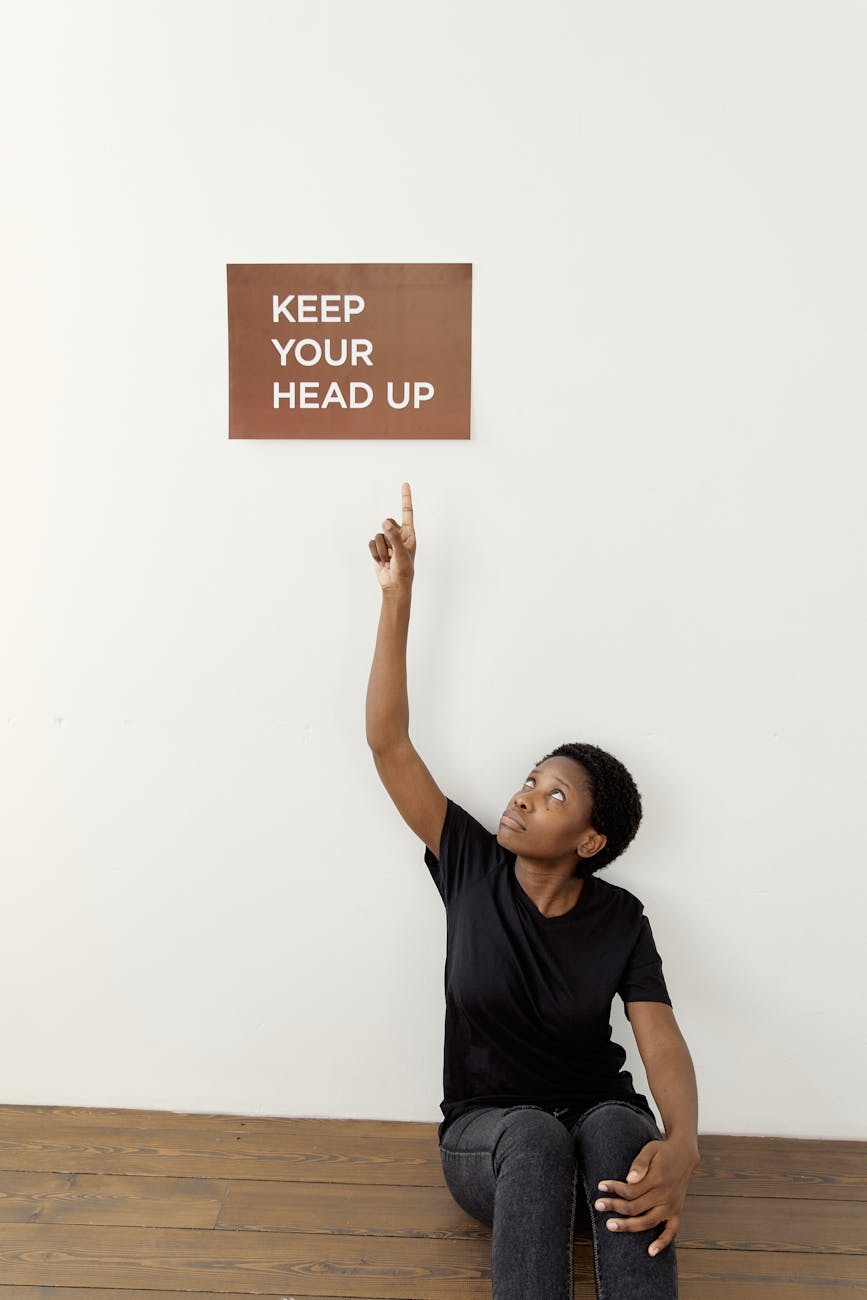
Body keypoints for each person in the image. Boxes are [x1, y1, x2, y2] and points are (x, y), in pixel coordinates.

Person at [366, 482, 700, 1299]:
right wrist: (399, 595)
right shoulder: (470, 863)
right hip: (489, 1145)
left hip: (598, 1146)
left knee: (622, 1125)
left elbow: (656, 1036)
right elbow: (387, 742)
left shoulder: (619, 917)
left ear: (590, 841)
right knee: (532, 1139)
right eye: (528, 780)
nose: (521, 796)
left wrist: (685, 1141)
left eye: (553, 795)